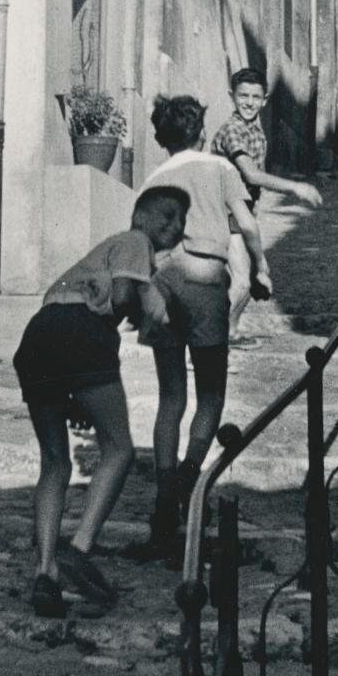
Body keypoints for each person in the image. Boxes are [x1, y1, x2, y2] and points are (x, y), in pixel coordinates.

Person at [12, 186, 189, 618]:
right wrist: (155, 322)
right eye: (166, 215)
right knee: (119, 449)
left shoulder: (95, 257)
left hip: (38, 336)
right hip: (82, 333)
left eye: (182, 221)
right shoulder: (135, 242)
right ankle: (80, 547)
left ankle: (45, 572)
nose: (175, 227)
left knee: (54, 462)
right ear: (139, 216)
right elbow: (125, 296)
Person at [124, 95, 270, 563]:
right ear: (202, 133)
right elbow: (247, 225)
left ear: (161, 138)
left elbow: (139, 244)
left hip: (163, 283)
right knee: (211, 394)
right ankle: (189, 480)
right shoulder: (220, 168)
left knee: (171, 397)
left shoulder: (153, 180)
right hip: (205, 281)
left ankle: (164, 501)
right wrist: (261, 269)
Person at [210, 68, 323, 345]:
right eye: (243, 96)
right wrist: (295, 187)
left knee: (248, 278)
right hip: (225, 210)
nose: (249, 102)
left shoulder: (254, 131)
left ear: (265, 99)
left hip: (242, 211)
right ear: (232, 96)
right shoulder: (233, 130)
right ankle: (217, 340)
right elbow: (251, 175)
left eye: (255, 97)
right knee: (243, 281)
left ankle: (229, 332)